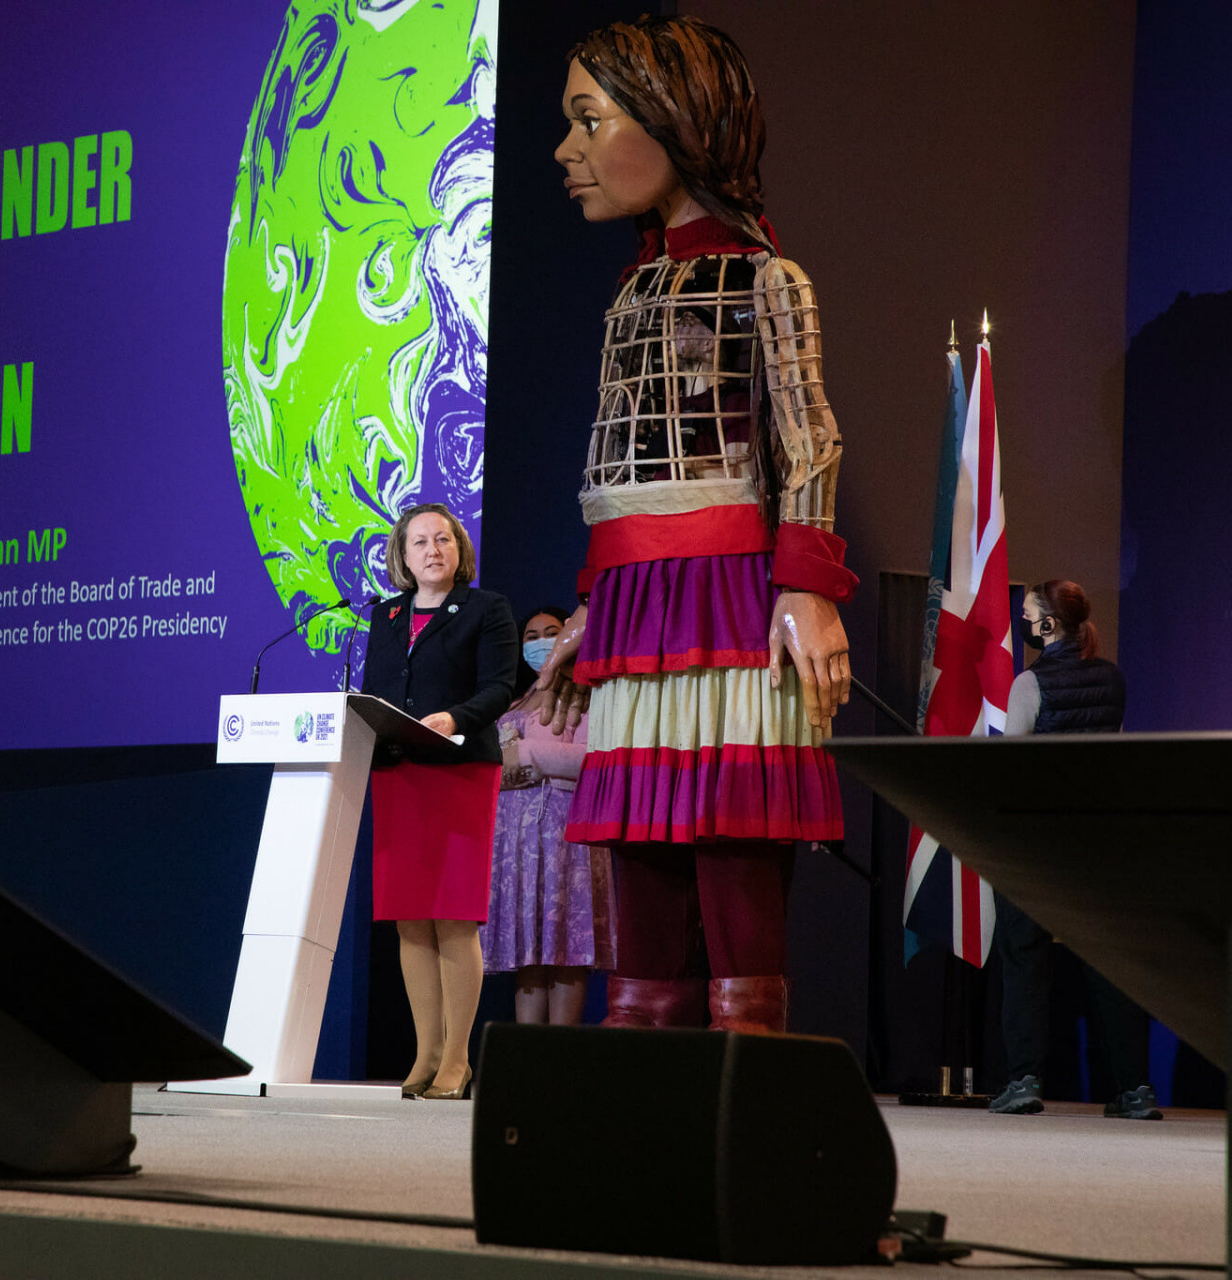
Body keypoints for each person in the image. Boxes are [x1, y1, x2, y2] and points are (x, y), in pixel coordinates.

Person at [531, 15, 853, 1033]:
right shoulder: (631, 291)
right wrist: (592, 610)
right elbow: (616, 461)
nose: (565, 151)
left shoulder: (769, 280)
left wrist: (806, 584)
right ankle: (641, 1036)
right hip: (635, 599)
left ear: (676, 123)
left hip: (727, 587)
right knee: (638, 831)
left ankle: (747, 1044)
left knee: (730, 824)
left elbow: (808, 441)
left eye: (589, 120)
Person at [360, 503, 519, 1098]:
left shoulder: (484, 608)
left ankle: (458, 1058)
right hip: (398, 773)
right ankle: (425, 1055)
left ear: (459, 550)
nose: (433, 550)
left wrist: (454, 716)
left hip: (458, 770)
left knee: (453, 917)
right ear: (402, 554)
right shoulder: (387, 615)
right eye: (420, 541)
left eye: (444, 539)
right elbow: (379, 690)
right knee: (410, 920)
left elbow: (501, 686)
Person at [989, 580, 1162, 1120]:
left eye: (1026, 614)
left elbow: (1009, 768)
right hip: (1098, 845)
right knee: (1110, 966)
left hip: (1037, 845)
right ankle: (1135, 1090)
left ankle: (1023, 1081)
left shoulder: (1028, 685)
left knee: (1025, 960)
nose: (1022, 622)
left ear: (1046, 625)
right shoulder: (1113, 680)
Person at [483, 607, 615, 1023]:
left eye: (552, 632)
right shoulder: (515, 700)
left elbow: (596, 758)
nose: (541, 642)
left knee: (564, 949)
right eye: (531, 635)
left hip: (564, 835)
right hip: (515, 843)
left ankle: (558, 1061)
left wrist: (526, 755)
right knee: (529, 955)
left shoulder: (589, 693)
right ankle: (527, 1061)